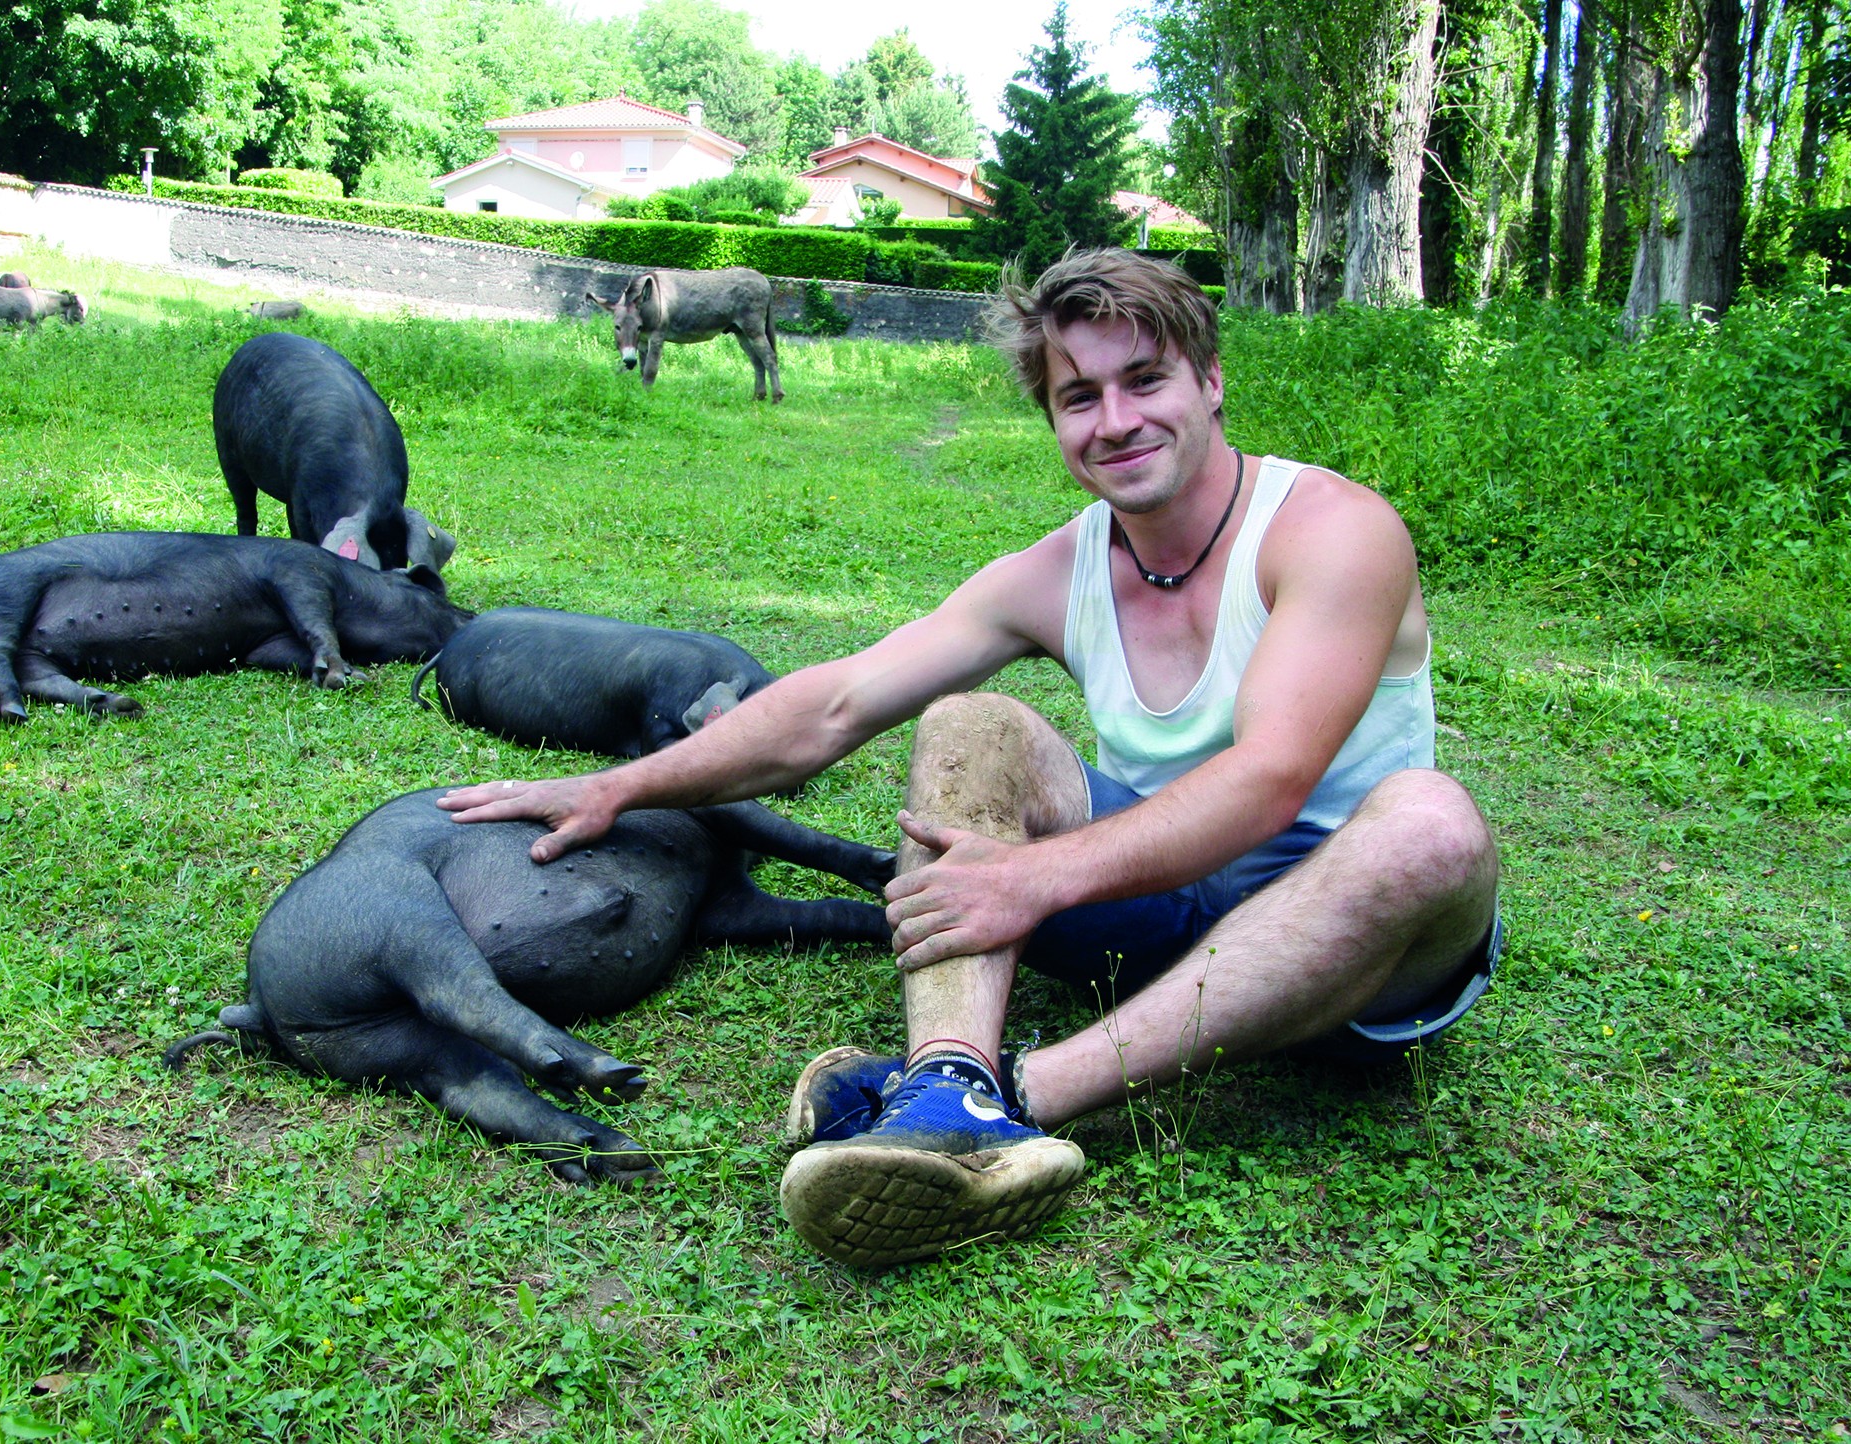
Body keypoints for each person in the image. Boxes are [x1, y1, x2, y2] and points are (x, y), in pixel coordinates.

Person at [440, 249, 1501, 1268]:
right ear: (1050, 419)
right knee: (967, 722)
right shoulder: (1061, 567)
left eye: (1144, 378)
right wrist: (618, 783)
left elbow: (1271, 777)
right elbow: (838, 702)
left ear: (1210, 379)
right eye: (1078, 395)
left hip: (1359, 956)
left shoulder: (1328, 529)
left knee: (1430, 822)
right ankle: (945, 1078)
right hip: (1173, 918)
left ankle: (1013, 1097)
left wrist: (1033, 877)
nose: (1116, 419)